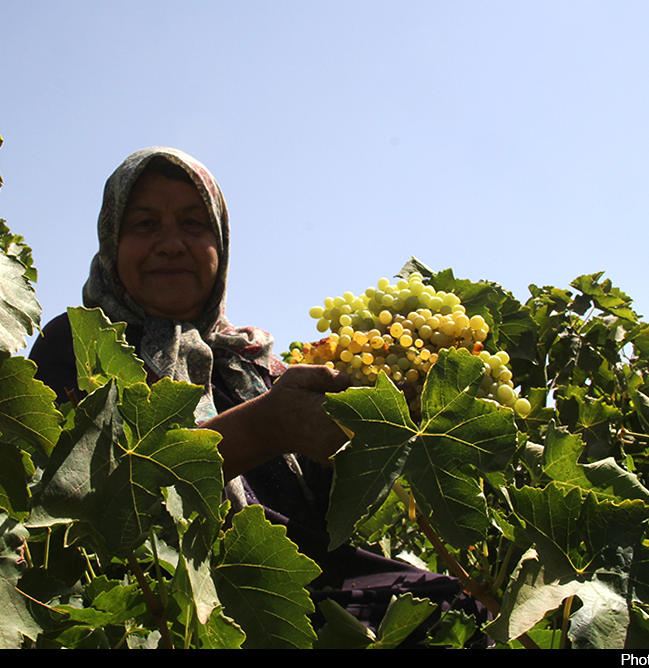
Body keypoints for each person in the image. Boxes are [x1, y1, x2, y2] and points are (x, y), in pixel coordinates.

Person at [29, 147, 483, 642]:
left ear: (221, 245)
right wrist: (265, 426)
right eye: (143, 225)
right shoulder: (78, 343)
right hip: (182, 599)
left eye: (193, 224)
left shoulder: (253, 362)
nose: (171, 244)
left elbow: (321, 515)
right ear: (112, 242)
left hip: (305, 583)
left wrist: (364, 438)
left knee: (464, 607)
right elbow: (88, 499)